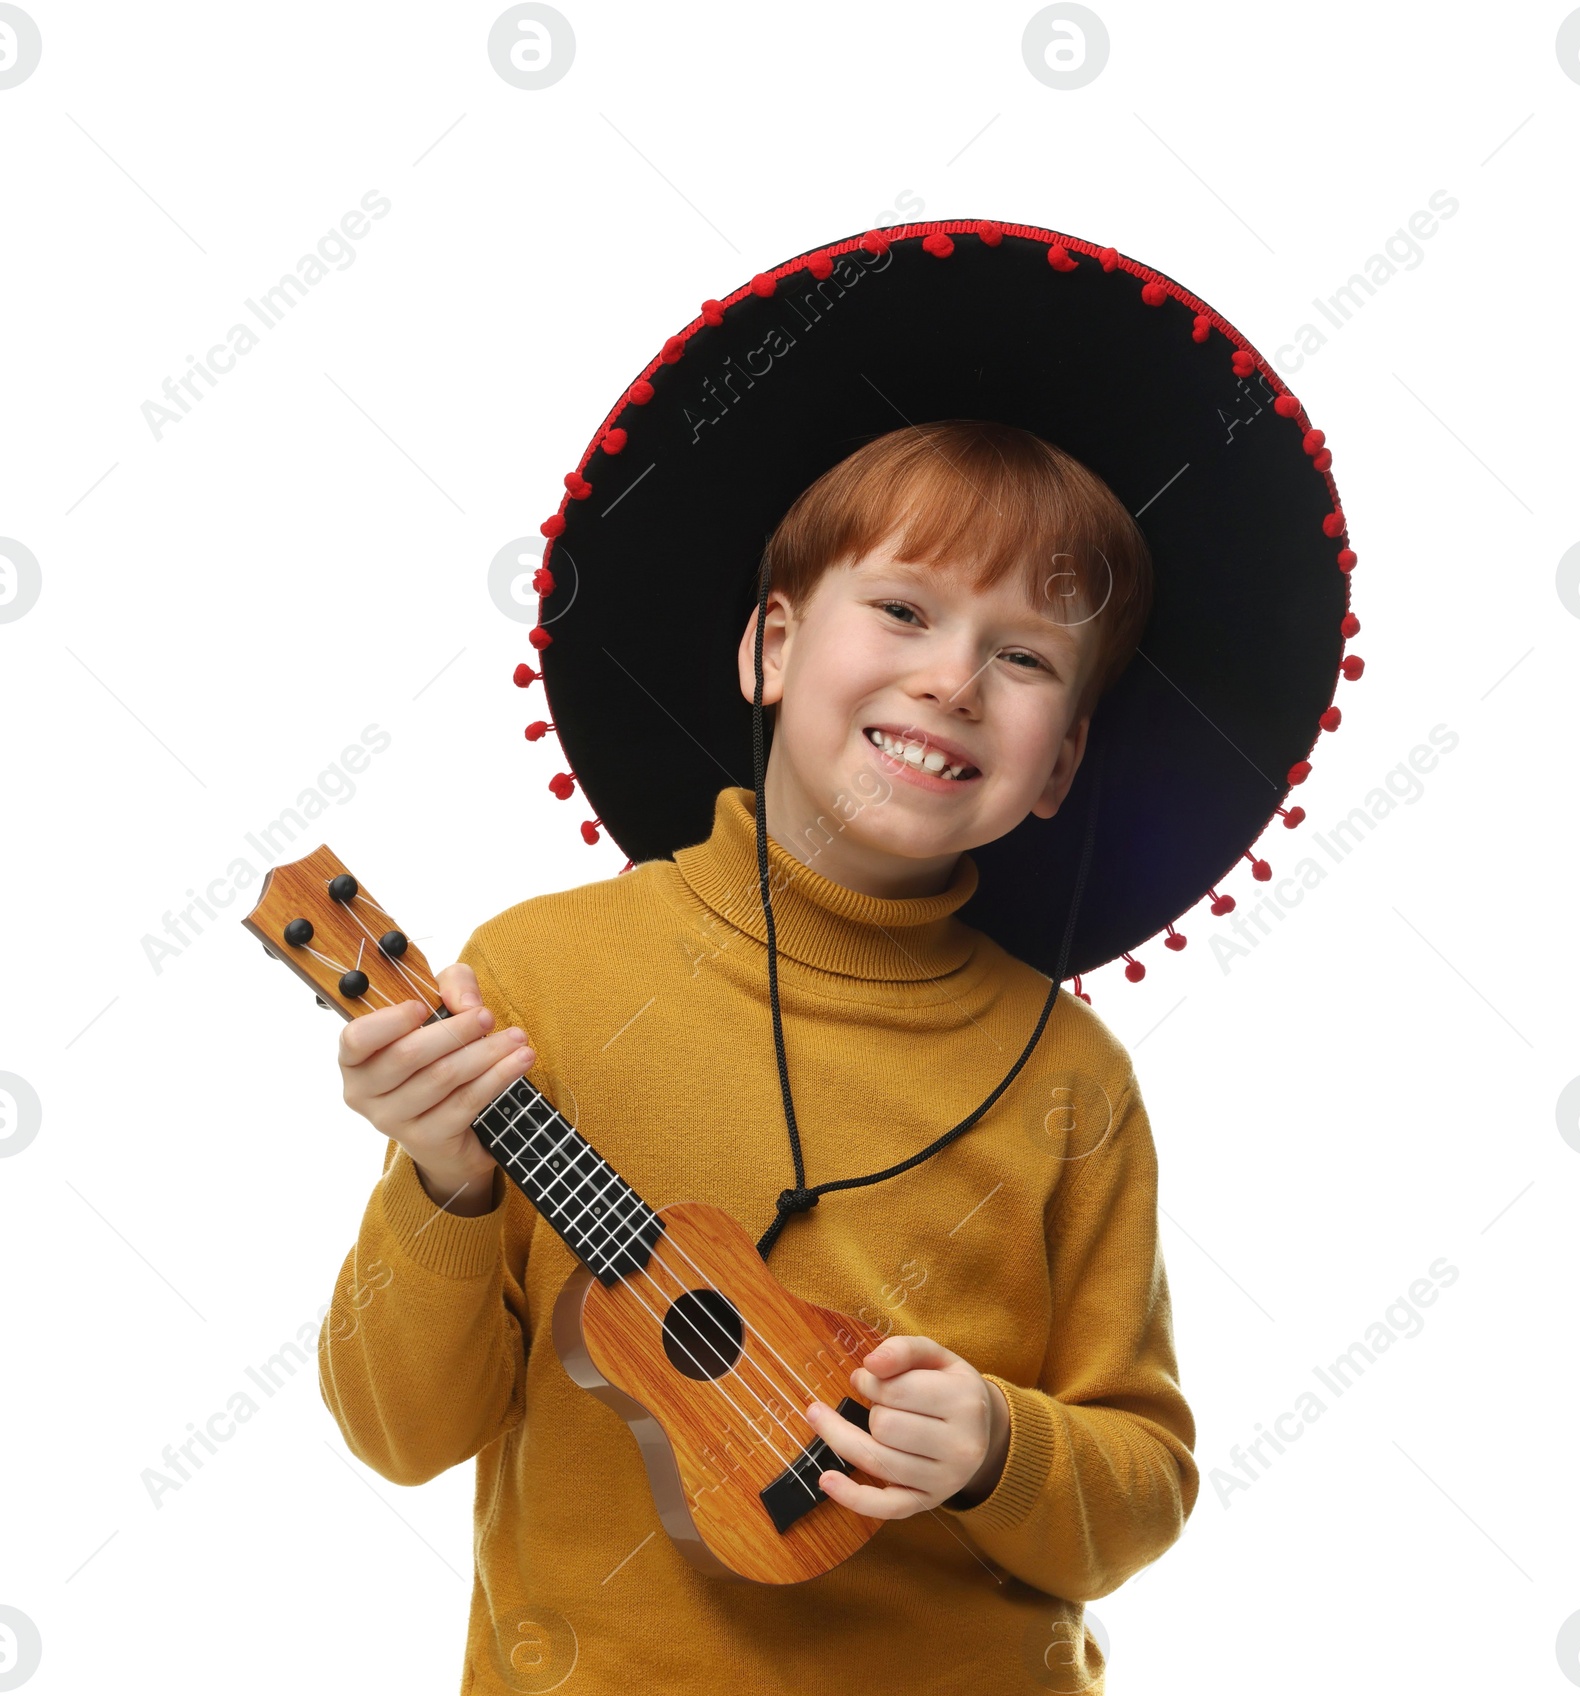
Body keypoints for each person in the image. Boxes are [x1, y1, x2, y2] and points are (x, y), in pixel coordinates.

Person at [319, 220, 1359, 1695]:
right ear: (769, 648)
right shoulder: (537, 980)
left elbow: (1138, 1488)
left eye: (1025, 657)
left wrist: (1004, 1445)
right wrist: (443, 1183)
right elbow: (396, 1432)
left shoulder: (1067, 1078)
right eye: (905, 609)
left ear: (1057, 762)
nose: (952, 677)